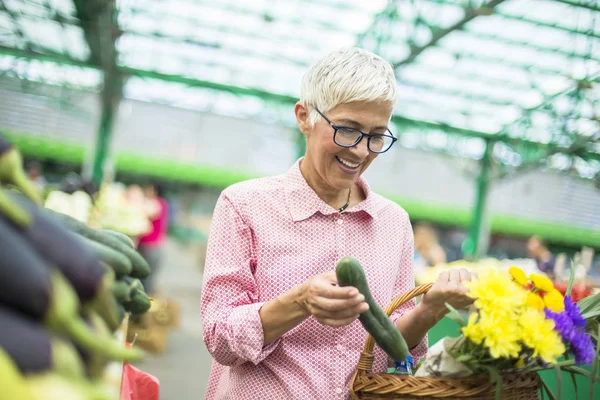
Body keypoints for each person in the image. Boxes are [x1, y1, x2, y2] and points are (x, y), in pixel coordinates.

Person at [200, 47, 474, 400]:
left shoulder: (393, 223)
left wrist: (430, 310)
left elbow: (392, 348)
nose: (361, 151)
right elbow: (220, 338)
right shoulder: (244, 206)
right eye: (348, 129)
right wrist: (299, 302)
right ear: (304, 117)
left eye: (377, 135)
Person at [138, 182, 169, 295]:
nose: (147, 190)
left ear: (154, 190)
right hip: (153, 245)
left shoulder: (157, 203)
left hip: (150, 246)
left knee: (146, 279)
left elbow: (147, 212)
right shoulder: (162, 203)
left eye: (149, 189)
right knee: (147, 277)